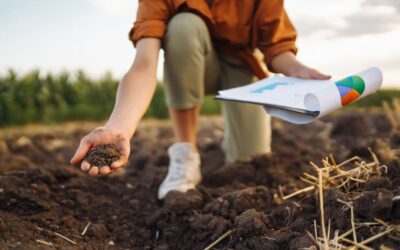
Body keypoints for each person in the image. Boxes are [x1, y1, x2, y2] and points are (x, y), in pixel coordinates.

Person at [70, 0, 330, 199]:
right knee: (184, 25)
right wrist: (118, 127)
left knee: (250, 163)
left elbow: (277, 48)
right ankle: (186, 153)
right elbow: (144, 65)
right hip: (189, 62)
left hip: (241, 69)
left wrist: (296, 68)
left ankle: (230, 147)